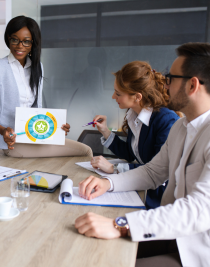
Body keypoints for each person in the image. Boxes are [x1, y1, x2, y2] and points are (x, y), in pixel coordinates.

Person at [74, 42, 210, 267]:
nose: (164, 85)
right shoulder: (181, 127)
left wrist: (120, 224)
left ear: (192, 85)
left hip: (195, 252)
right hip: (169, 234)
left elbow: (199, 211)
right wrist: (109, 183)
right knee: (90, 249)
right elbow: (154, 171)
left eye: (170, 79)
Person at [0, 15, 92, 158]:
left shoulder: (37, 68)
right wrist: (2, 130)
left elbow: (37, 110)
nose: (19, 46)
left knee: (84, 151)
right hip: (12, 142)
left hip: (32, 137)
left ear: (33, 43)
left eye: (26, 42)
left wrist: (54, 127)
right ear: (8, 39)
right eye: (15, 39)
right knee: (84, 152)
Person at [90, 61, 181, 209]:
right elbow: (131, 153)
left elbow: (159, 171)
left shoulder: (165, 120)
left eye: (118, 93)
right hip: (139, 189)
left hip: (158, 200)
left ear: (137, 97)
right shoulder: (135, 114)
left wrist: (115, 169)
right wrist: (105, 131)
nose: (113, 97)